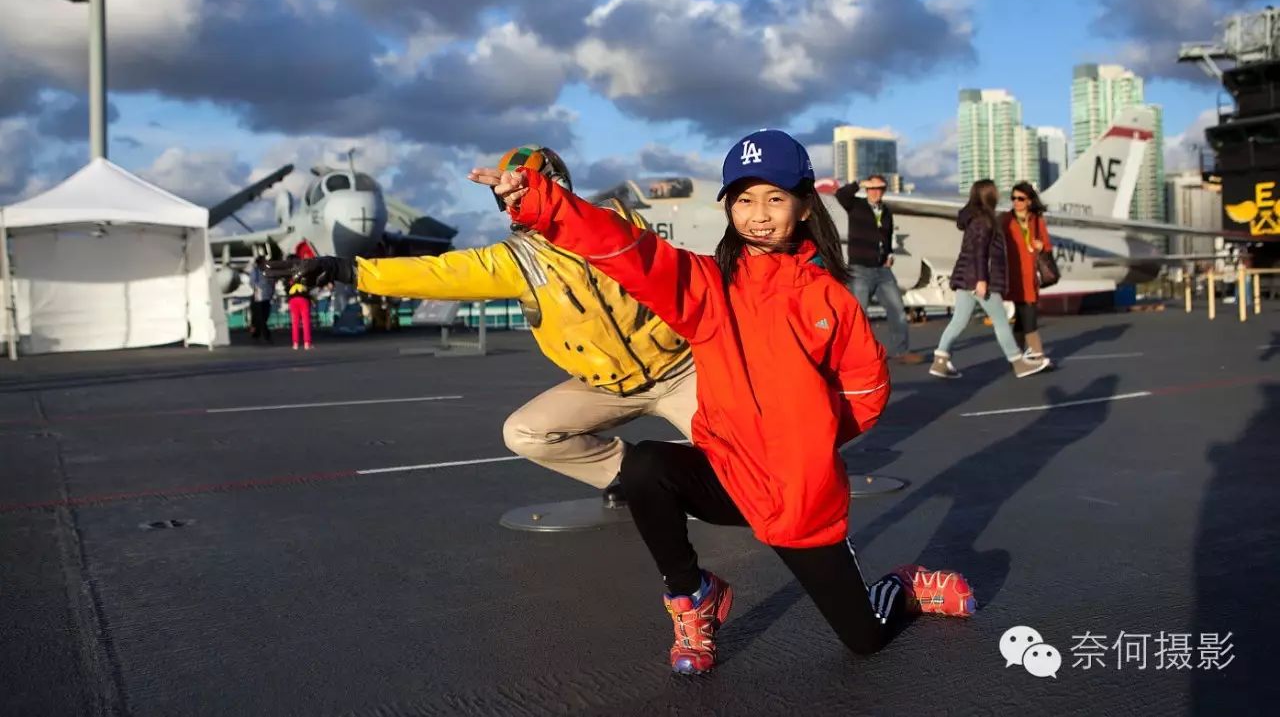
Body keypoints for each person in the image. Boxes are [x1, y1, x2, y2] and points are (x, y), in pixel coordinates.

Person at [469, 130, 974, 675]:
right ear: (729, 206)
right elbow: (628, 251)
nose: (759, 214)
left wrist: (803, 444)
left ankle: (902, 586)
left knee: (865, 640)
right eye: (744, 199)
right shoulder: (706, 286)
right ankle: (693, 597)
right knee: (645, 468)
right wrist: (542, 203)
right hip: (729, 477)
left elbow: (867, 390)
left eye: (775, 198)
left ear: (805, 206)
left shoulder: (831, 299)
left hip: (798, 496)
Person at [267, 147, 694, 508]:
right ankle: (627, 475)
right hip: (608, 387)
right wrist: (344, 268)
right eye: (508, 195)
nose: (515, 201)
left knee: (754, 466)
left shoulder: (618, 223)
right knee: (525, 433)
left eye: (526, 189)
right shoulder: (516, 260)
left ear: (556, 186)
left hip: (680, 371)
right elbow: (435, 273)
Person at [929, 180, 1049, 379]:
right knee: (1000, 320)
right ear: (989, 196)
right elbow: (980, 252)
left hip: (965, 278)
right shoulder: (984, 220)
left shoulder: (973, 219)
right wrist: (982, 280)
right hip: (980, 279)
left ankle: (940, 361)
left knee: (958, 321)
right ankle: (1018, 362)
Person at [835, 174, 924, 364]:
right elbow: (840, 195)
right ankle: (853, 355)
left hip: (882, 270)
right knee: (858, 315)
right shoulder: (855, 205)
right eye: (872, 188)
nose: (875, 192)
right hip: (860, 269)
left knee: (898, 310)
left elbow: (888, 236)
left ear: (884, 191)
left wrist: (889, 255)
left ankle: (901, 351)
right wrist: (858, 183)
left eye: (879, 189)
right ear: (866, 189)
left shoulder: (886, 212)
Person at [1001, 182, 1053, 363]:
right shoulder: (1005, 220)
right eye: (1013, 198)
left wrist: (1041, 246)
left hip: (1031, 277)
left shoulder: (1037, 221)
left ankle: (1015, 356)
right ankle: (1037, 355)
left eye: (1020, 199)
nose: (1016, 202)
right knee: (1028, 313)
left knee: (1022, 320)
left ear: (1029, 201)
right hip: (1014, 276)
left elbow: (1047, 245)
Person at [286, 259, 314, 350]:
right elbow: (309, 286)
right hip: (303, 298)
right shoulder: (305, 275)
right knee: (306, 322)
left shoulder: (290, 276)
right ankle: (307, 343)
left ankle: (295, 344)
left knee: (295, 322)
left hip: (292, 299)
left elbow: (286, 287)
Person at [247, 256, 274, 344]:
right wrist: (260, 286)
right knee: (261, 317)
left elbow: (272, 281)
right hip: (258, 297)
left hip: (267, 296)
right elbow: (252, 282)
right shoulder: (255, 271)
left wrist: (271, 291)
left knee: (265, 316)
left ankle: (256, 332)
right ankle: (267, 335)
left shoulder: (268, 271)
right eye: (264, 262)